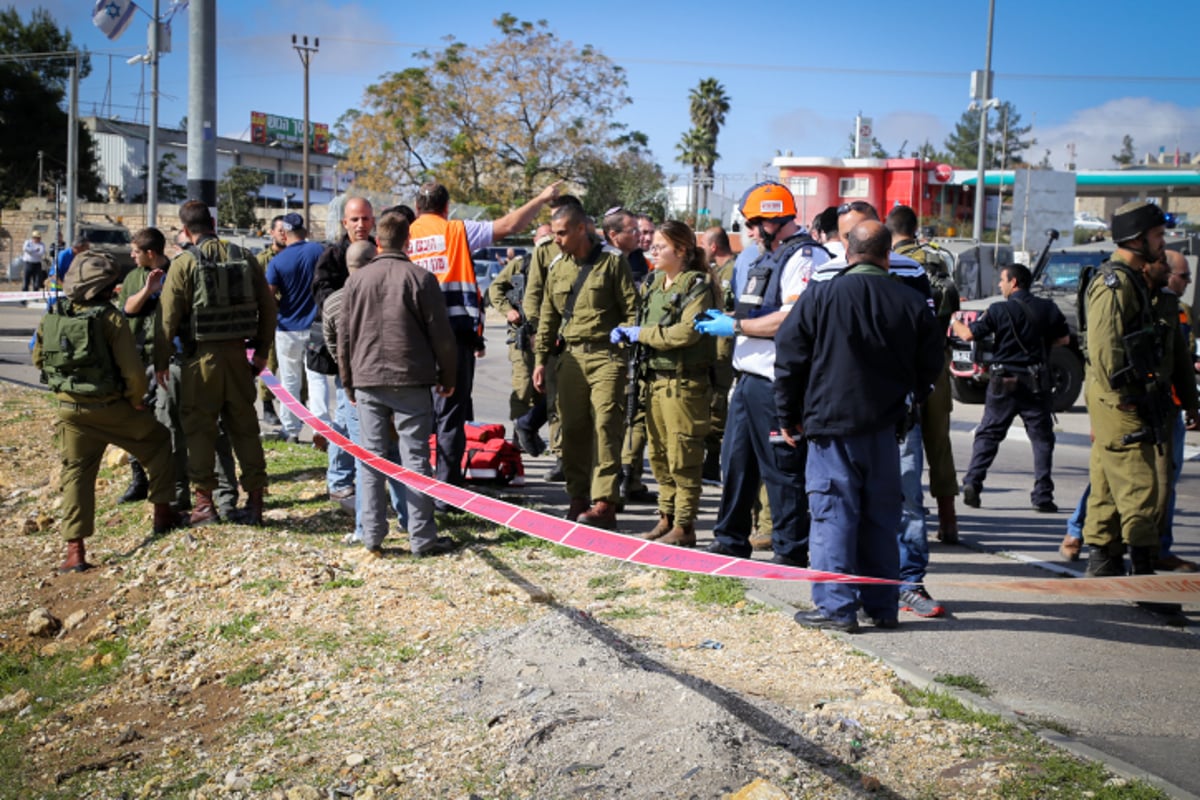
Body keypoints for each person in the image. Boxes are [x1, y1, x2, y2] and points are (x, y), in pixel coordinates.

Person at [775, 220, 944, 632]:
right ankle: (882, 605)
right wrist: (910, 399)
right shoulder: (911, 302)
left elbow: (789, 355)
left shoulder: (821, 296)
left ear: (847, 252)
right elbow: (930, 366)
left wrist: (786, 414)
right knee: (881, 519)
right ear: (888, 255)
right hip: (886, 430)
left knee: (833, 516)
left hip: (831, 427)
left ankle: (836, 608)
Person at [695, 181, 829, 567]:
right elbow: (759, 313)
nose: (748, 233)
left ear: (774, 220)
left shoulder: (805, 258)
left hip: (777, 382)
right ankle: (730, 538)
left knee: (783, 472)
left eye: (753, 224)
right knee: (737, 463)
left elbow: (791, 320)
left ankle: (790, 549)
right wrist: (732, 319)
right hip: (749, 379)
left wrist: (735, 328)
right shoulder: (765, 258)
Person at [819, 201, 943, 618]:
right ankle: (864, 596)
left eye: (856, 232)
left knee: (901, 499)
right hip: (842, 413)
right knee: (844, 507)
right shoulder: (825, 275)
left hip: (890, 415)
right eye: (843, 234)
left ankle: (904, 583)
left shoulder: (909, 274)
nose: (848, 241)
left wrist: (914, 396)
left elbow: (928, 346)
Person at [407, 180, 561, 497]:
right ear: (446, 208)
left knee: (413, 415)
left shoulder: (400, 235)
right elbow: (509, 224)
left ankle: (413, 486)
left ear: (417, 208)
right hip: (454, 338)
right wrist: (542, 198)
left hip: (412, 339)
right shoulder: (457, 231)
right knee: (451, 418)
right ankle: (448, 492)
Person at [33, 251, 181, 572]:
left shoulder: (53, 315)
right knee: (157, 442)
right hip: (111, 408)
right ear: (104, 287)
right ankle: (162, 515)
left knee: (76, 475)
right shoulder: (110, 318)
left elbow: (38, 359)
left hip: (70, 410)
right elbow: (132, 373)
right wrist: (136, 400)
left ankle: (75, 552)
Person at [1082, 203, 1199, 578]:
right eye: (1158, 237)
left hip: (1130, 401)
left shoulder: (1136, 285)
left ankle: (1105, 567)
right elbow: (1105, 355)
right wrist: (1132, 397)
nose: (1162, 245)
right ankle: (1144, 578)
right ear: (1137, 239)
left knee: (1107, 488)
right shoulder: (1115, 285)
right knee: (1141, 487)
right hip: (1123, 403)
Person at [338, 211, 457, 558]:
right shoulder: (421, 278)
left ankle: (372, 536)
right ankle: (422, 538)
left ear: (377, 241)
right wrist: (448, 377)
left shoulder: (356, 281)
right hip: (411, 378)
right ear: (408, 242)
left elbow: (344, 337)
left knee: (371, 458)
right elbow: (442, 336)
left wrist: (348, 383)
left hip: (367, 379)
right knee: (416, 458)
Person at [157, 201, 277, 526]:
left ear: (185, 231)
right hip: (239, 358)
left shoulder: (183, 264)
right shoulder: (243, 255)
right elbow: (268, 306)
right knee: (246, 431)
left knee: (199, 431)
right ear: (212, 222)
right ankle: (254, 503)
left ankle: (204, 505)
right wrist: (263, 350)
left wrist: (159, 361)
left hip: (200, 362)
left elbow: (167, 319)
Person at [532, 203, 637, 528]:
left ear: (581, 229)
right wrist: (540, 360)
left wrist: (624, 346)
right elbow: (548, 317)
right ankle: (578, 497)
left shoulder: (612, 263)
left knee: (606, 426)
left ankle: (605, 502)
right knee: (573, 430)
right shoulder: (557, 267)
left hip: (606, 356)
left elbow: (632, 310)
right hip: (570, 360)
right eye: (554, 234)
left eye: (562, 233)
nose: (557, 240)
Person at [612, 220, 716, 546]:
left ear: (681, 250)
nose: (653, 251)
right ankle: (667, 517)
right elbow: (642, 319)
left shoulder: (698, 285)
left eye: (660, 247)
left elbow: (687, 332)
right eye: (652, 246)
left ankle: (684, 525)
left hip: (684, 384)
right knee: (658, 456)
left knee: (683, 456)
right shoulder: (654, 283)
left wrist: (641, 334)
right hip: (654, 380)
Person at [951, 262, 1069, 513]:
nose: (999, 285)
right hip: (1036, 383)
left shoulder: (998, 310)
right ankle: (1043, 495)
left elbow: (970, 335)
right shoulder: (1048, 308)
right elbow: (1064, 338)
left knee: (989, 434)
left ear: (1013, 282)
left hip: (1003, 381)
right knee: (1042, 439)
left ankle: (973, 482)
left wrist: (954, 318)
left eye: (1002, 280)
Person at [887, 205, 961, 544]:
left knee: (902, 443)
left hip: (903, 364)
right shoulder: (937, 258)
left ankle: (905, 516)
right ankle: (948, 519)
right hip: (938, 359)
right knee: (938, 440)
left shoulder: (892, 262)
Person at [522, 195, 589, 481]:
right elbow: (534, 295)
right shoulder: (544, 251)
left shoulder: (599, 252)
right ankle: (562, 456)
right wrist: (541, 333)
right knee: (556, 402)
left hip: (589, 339)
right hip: (555, 340)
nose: (555, 231)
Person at [603, 209, 656, 506]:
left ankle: (630, 478)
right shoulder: (606, 261)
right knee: (623, 416)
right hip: (615, 348)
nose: (640, 236)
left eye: (644, 231)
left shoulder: (638, 260)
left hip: (636, 344)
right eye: (634, 230)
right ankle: (619, 480)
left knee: (635, 412)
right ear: (614, 234)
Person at [266, 213, 331, 449]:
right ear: (303, 229)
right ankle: (321, 429)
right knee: (317, 378)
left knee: (289, 381)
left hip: (287, 328)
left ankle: (290, 429)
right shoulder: (318, 251)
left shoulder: (278, 261)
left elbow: (267, 295)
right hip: (315, 326)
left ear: (284, 233)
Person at [489, 223, 552, 456]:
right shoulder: (520, 264)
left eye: (551, 237)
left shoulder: (560, 266)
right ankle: (519, 436)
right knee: (523, 385)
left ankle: (533, 433)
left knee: (546, 390)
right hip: (522, 335)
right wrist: (508, 311)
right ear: (535, 240)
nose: (547, 241)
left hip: (548, 336)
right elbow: (495, 289)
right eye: (543, 237)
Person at [700, 226, 737, 482]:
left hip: (725, 348)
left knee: (717, 403)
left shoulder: (732, 271)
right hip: (713, 345)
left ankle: (713, 461)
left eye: (703, 243)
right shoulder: (715, 271)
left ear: (713, 246)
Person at [256, 215, 288, 428]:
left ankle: (295, 406)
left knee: (293, 370)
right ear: (272, 233)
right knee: (269, 364)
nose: (284, 234)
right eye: (280, 230)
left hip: (290, 319)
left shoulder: (294, 256)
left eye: (287, 230)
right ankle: (267, 405)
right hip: (269, 319)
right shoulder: (262, 260)